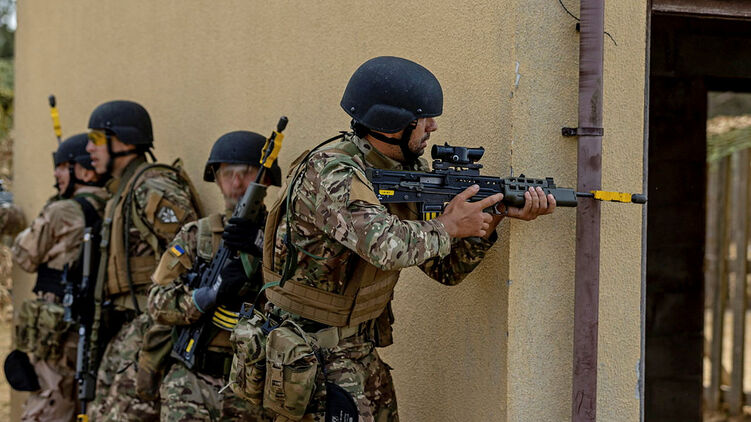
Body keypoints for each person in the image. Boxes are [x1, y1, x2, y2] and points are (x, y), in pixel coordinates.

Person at [258, 56, 556, 421]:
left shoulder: (405, 172)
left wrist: (490, 215)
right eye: (423, 118)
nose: (433, 126)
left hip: (359, 351)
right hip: (308, 356)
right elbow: (386, 247)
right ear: (391, 123)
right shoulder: (331, 171)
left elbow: (445, 270)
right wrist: (448, 227)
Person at [84, 100, 202, 421]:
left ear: (124, 141)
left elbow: (192, 253)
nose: (89, 148)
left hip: (151, 328)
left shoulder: (151, 186)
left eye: (96, 138)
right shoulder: (124, 189)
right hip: (129, 326)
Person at [148, 130, 278, 421]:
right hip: (192, 383)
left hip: (255, 387)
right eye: (227, 174)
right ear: (216, 179)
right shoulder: (197, 235)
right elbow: (156, 301)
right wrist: (207, 296)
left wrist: (261, 249)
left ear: (266, 180)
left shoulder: (281, 238)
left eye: (247, 173)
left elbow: (302, 294)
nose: (236, 183)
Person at [11, 134, 108, 421]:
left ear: (83, 170)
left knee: (50, 403)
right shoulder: (112, 204)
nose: (56, 174)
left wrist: (48, 210)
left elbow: (24, 256)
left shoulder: (63, 209)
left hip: (59, 329)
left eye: (62, 167)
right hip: (95, 326)